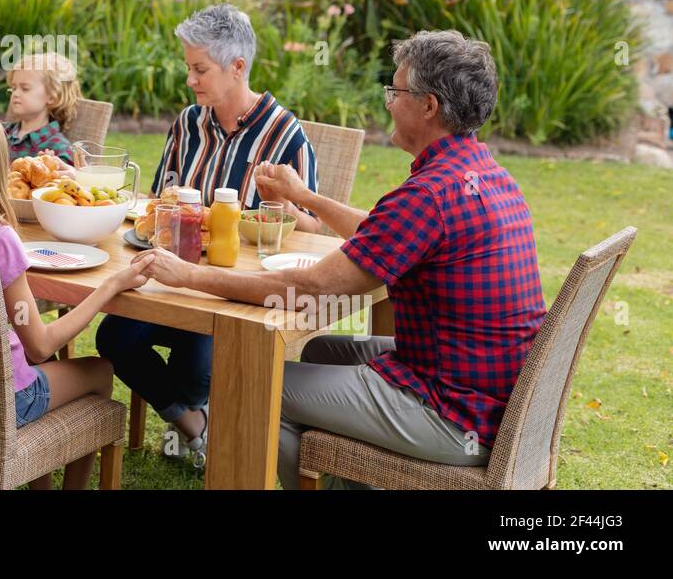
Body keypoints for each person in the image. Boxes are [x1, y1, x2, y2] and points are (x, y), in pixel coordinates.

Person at [141, 30, 546, 488]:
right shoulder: (484, 173)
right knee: (317, 349)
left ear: (429, 105)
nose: (389, 102)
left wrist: (192, 276)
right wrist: (303, 195)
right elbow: (385, 228)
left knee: (253, 386)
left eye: (396, 91)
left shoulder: (430, 195)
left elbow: (309, 289)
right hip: (493, 393)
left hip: (453, 412)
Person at [96, 2, 320, 464]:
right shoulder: (187, 124)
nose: (190, 80)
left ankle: (193, 415)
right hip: (169, 278)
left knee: (195, 367)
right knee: (113, 337)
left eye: (200, 69)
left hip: (232, 292)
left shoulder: (285, 135)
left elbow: (313, 231)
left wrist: (280, 207)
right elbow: (156, 201)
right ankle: (196, 424)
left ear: (237, 67)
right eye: (188, 68)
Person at [0, 103, 152, 489]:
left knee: (30, 359)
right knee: (100, 370)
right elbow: (41, 346)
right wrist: (109, 287)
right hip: (5, 399)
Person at [2, 52, 81, 164]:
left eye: (25, 88)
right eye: (14, 88)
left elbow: (63, 180)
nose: (15, 94)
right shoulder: (0, 132)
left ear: (52, 97)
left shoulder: (58, 148)